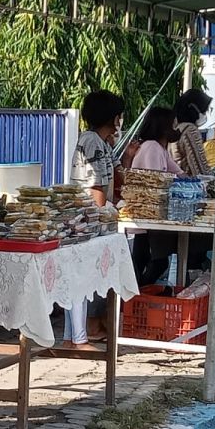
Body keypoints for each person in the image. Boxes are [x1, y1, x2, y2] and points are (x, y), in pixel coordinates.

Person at [62, 89, 124, 349]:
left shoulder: (101, 142)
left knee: (83, 280)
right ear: (112, 117)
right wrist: (106, 213)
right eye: (119, 116)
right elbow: (96, 188)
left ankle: (72, 337)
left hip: (92, 218)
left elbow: (117, 173)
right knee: (79, 280)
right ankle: (77, 339)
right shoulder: (91, 142)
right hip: (86, 219)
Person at [131, 107, 183, 286]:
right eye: (174, 124)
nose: (177, 128)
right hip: (146, 215)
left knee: (146, 260)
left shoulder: (160, 149)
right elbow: (156, 181)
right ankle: (139, 295)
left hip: (151, 217)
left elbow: (179, 174)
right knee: (151, 261)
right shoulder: (152, 148)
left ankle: (139, 294)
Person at [172, 88, 213, 177]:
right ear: (194, 109)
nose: (205, 114)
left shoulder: (176, 126)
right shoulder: (190, 131)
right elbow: (199, 167)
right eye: (204, 111)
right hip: (188, 184)